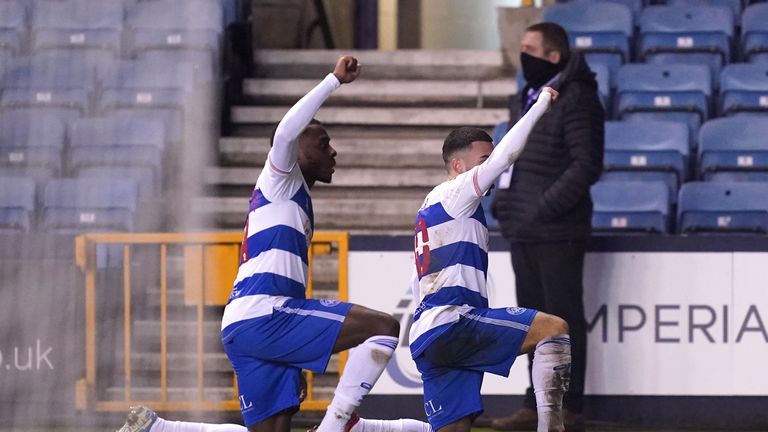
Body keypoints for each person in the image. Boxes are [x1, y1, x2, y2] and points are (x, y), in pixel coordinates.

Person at [117, 56, 429, 432]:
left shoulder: (294, 197)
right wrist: (333, 80)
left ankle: (160, 429)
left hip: (244, 323)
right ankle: (337, 425)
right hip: (267, 314)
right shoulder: (279, 177)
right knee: (383, 328)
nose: (333, 151)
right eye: (323, 142)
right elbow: (283, 133)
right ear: (298, 150)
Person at [410, 87, 572, 432]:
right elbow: (508, 156)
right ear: (458, 165)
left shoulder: (432, 203)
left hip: (427, 333)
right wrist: (540, 103)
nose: (491, 168)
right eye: (483, 160)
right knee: (553, 329)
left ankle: (357, 426)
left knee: (454, 428)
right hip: (453, 321)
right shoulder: (456, 193)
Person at [489, 23, 605, 432]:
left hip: (557, 231)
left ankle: (567, 407)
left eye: (529, 49)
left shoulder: (578, 98)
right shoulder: (531, 95)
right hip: (524, 229)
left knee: (563, 318)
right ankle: (536, 404)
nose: (522, 55)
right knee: (533, 322)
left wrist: (543, 207)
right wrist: (505, 202)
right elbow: (517, 156)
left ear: (552, 56)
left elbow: (586, 165)